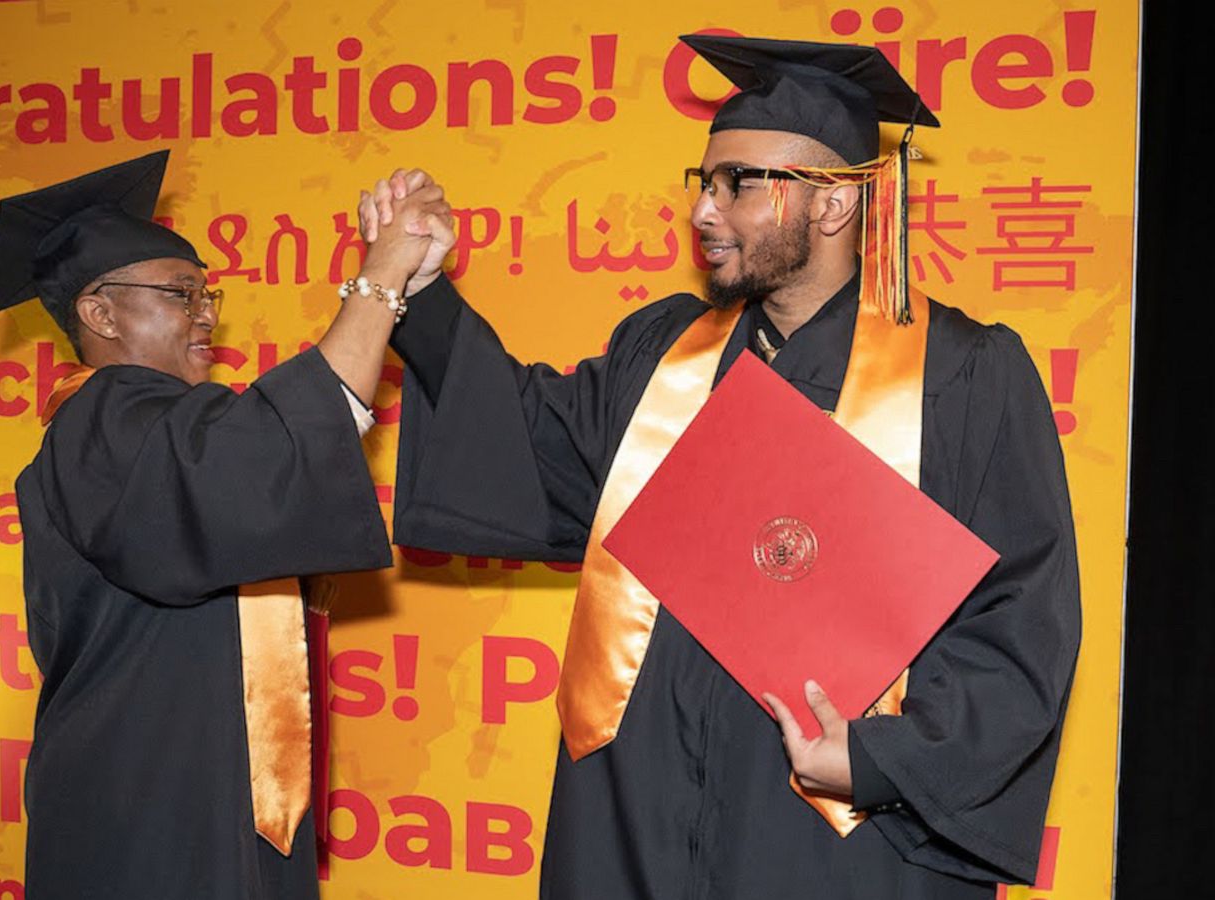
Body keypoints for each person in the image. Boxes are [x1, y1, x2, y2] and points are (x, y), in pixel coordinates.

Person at [367, 36, 1080, 900]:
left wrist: (878, 758)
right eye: (702, 183)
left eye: (739, 182)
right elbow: (534, 444)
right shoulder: (665, 355)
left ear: (832, 206)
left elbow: (1020, 620)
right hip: (636, 815)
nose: (705, 211)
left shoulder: (964, 377)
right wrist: (426, 296)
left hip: (828, 839)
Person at [0, 151, 449, 898]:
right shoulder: (99, 418)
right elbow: (256, 465)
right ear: (99, 313)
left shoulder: (162, 423)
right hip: (142, 804)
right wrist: (381, 279)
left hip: (214, 786)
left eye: (208, 293)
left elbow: (258, 475)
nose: (206, 312)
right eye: (180, 293)